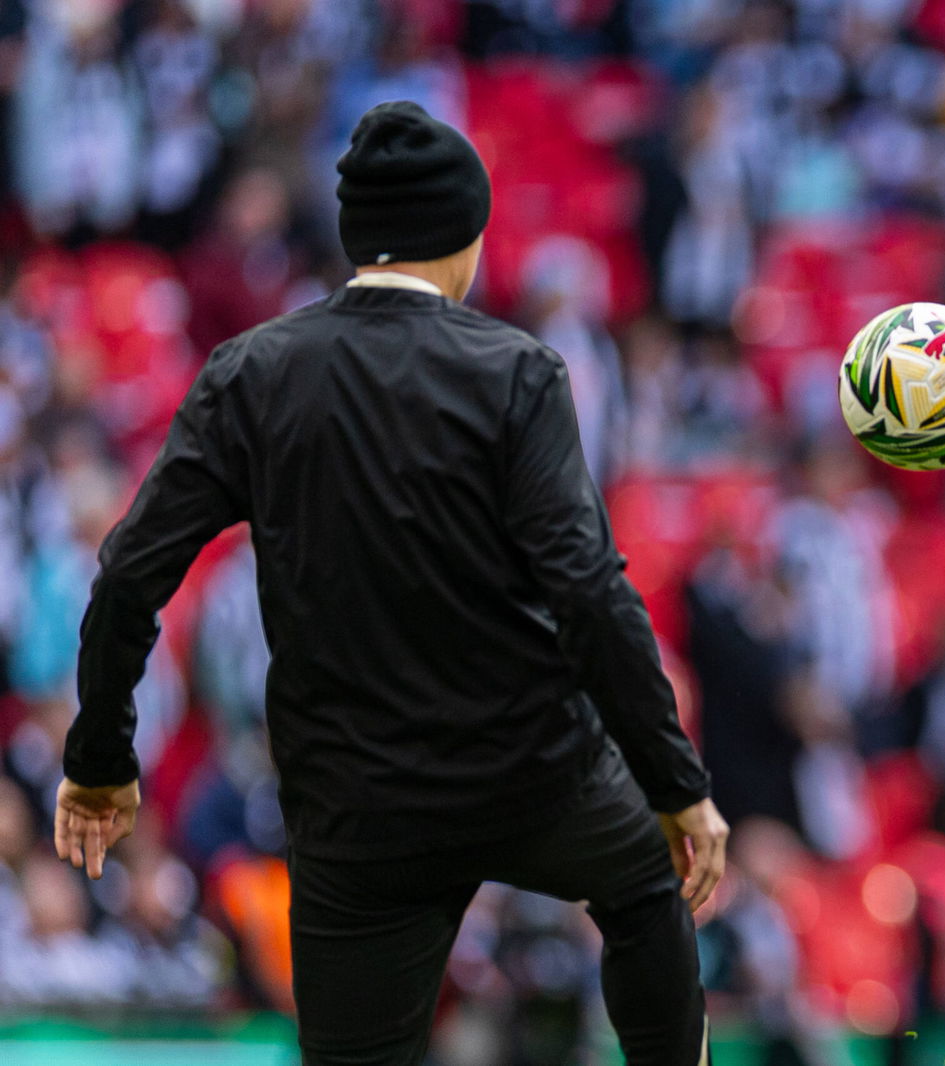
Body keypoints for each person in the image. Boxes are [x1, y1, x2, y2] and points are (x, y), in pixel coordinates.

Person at [52, 100, 727, 1066]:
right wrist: (676, 784)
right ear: (469, 238)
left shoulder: (251, 373)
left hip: (355, 811)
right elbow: (588, 592)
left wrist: (102, 756)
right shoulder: (518, 374)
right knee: (644, 888)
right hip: (535, 775)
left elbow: (128, 574)